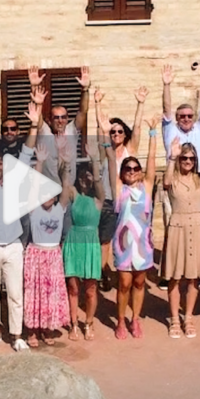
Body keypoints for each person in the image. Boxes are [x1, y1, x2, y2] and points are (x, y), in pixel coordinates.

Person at [0, 103, 41, 352]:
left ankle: (16, 336)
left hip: (14, 245)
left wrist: (34, 124)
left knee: (16, 293)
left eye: (0, 165)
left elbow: (27, 150)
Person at [158, 61, 200, 290]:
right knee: (171, 225)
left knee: (197, 224)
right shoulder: (170, 129)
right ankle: (169, 273)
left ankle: (195, 271)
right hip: (173, 180)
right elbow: (166, 107)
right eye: (182, 116)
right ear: (177, 118)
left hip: (197, 180)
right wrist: (166, 85)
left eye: (189, 116)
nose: (186, 119)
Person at [163, 133, 200, 339]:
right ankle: (174, 319)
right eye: (184, 158)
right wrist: (172, 157)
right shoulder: (173, 177)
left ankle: (188, 317)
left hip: (197, 227)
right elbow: (166, 182)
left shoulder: (199, 179)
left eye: (191, 158)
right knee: (175, 276)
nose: (188, 161)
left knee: (193, 277)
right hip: (177, 227)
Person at [93, 86, 147, 291]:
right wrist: (97, 103)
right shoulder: (104, 149)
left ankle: (126, 271)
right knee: (105, 239)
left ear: (125, 134)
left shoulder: (129, 150)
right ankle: (102, 272)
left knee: (128, 237)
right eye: (113, 131)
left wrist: (140, 103)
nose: (115, 134)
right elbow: (100, 129)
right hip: (108, 200)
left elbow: (138, 128)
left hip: (127, 201)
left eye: (119, 131)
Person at [62, 140, 115, 341]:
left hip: (91, 244)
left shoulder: (98, 199)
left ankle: (89, 322)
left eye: (88, 177)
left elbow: (100, 183)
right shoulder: (74, 195)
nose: (85, 179)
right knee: (73, 288)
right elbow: (65, 183)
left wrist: (94, 159)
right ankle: (74, 324)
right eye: (82, 176)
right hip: (74, 242)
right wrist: (66, 163)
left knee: (91, 289)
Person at [112, 116, 159, 339]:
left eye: (135, 168)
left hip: (142, 244)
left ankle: (135, 319)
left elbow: (152, 160)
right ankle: (121, 321)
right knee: (124, 283)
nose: (131, 171)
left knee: (139, 282)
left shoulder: (146, 187)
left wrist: (153, 133)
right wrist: (105, 135)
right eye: (127, 168)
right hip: (123, 244)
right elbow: (110, 161)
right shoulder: (119, 189)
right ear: (122, 172)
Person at [23, 143, 71, 347]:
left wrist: (65, 164)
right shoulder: (34, 209)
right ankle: (32, 330)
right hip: (36, 254)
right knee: (34, 293)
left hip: (53, 256)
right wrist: (40, 162)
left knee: (51, 294)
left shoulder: (60, 209)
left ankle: (48, 327)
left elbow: (66, 187)